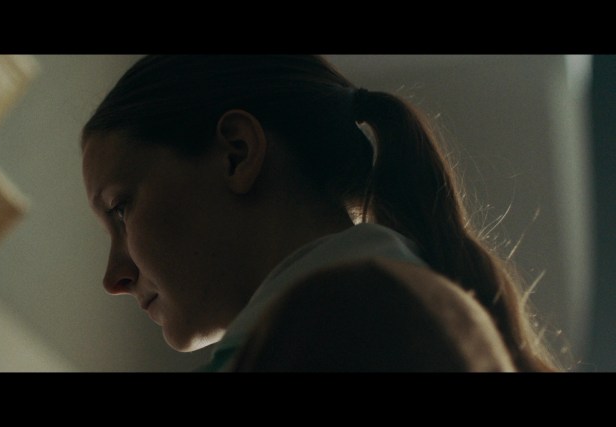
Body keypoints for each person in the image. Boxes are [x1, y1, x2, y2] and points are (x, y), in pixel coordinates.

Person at [80, 55, 561, 372]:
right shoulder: (358, 318)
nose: (113, 278)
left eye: (121, 209)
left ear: (236, 153)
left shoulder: (351, 323)